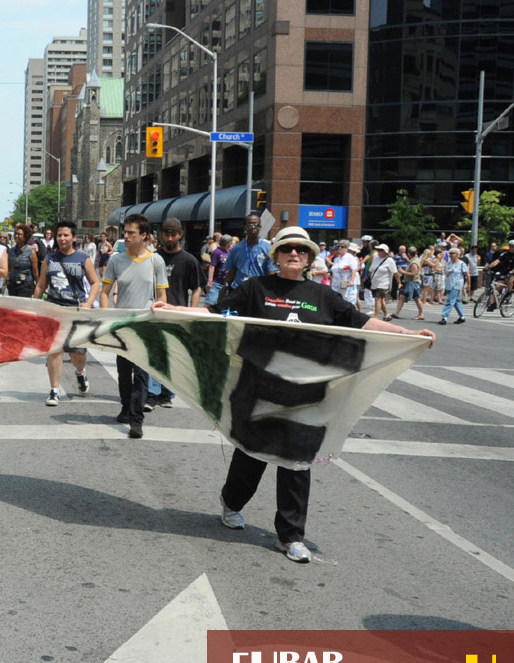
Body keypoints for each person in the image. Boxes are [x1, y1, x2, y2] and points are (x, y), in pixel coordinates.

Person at [154, 226, 436, 563]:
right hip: (257, 392)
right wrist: (175, 311)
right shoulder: (255, 289)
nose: (294, 254)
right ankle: (232, 502)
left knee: (298, 463)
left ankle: (290, 536)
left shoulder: (324, 297)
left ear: (309, 259)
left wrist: (406, 333)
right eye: (287, 249)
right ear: (276, 255)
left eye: (301, 251)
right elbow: (217, 315)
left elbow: (362, 323)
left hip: (305, 398)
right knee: (251, 457)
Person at [100, 213, 167, 439]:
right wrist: (108, 315)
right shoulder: (116, 260)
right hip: (123, 323)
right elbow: (105, 292)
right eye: (125, 232)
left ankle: (136, 419)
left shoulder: (155, 260)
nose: (126, 236)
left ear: (144, 236)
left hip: (145, 324)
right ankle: (126, 407)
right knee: (123, 370)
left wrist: (160, 311)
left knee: (141, 373)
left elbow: (162, 294)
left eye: (131, 233)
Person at [34, 219, 100, 406]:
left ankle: (80, 372)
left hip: (76, 311)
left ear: (73, 237)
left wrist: (88, 302)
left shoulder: (82, 258)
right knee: (55, 350)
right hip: (54, 309)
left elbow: (95, 283)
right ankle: (54, 390)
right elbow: (41, 284)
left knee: (77, 354)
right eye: (59, 235)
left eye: (66, 235)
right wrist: (35, 305)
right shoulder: (49, 259)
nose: (62, 238)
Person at [147, 217, 202, 409]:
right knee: (154, 354)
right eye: (166, 233)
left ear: (180, 234)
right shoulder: (153, 258)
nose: (169, 237)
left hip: (177, 313)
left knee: (172, 355)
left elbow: (196, 288)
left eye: (173, 234)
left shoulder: (189, 260)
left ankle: (167, 393)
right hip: (155, 313)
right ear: (161, 235)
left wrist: (192, 312)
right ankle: (152, 393)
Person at [223, 211, 274, 289]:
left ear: (260, 227)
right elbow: (230, 276)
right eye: (250, 225)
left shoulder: (268, 248)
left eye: (256, 225)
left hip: (258, 291)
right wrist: (222, 294)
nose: (253, 227)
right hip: (239, 290)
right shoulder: (236, 249)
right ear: (245, 227)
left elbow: (271, 275)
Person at [392, 246, 424, 320]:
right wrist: (407, 259)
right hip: (409, 282)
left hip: (413, 283)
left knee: (416, 298)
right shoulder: (414, 260)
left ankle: (421, 314)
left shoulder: (414, 263)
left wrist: (403, 271)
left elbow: (413, 273)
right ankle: (396, 313)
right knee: (402, 297)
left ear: (409, 254)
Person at [7, 224, 37, 298]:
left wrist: (38, 286)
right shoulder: (11, 251)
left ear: (25, 237)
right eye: (15, 234)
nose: (16, 236)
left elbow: (35, 271)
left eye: (19, 234)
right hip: (12, 285)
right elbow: (8, 267)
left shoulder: (31, 252)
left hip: (26, 286)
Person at [369, 243, 398, 321]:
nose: (378, 252)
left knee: (377, 299)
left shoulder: (389, 260)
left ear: (385, 252)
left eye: (380, 250)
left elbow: (395, 272)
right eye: (378, 250)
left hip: (383, 283)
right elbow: (371, 270)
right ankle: (386, 314)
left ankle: (376, 317)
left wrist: (399, 282)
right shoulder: (376, 259)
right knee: (381, 300)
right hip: (374, 283)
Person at [439, 247, 467, 324]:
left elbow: (466, 274)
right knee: (456, 301)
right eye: (450, 253)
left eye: (452, 253)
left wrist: (469, 284)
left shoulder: (461, 264)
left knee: (450, 301)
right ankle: (462, 317)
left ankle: (444, 317)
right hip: (450, 284)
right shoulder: (449, 263)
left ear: (457, 254)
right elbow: (446, 271)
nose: (451, 255)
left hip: (457, 284)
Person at [330, 241, 361, 307]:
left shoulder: (350, 258)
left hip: (346, 283)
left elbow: (354, 269)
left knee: (347, 302)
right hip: (336, 283)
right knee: (336, 301)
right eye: (339, 246)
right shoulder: (336, 259)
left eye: (342, 247)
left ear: (347, 248)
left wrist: (352, 281)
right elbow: (334, 270)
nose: (340, 248)